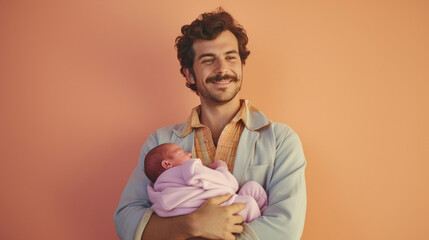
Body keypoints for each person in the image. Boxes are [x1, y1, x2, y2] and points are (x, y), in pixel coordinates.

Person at [114, 7, 307, 240]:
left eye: (230, 57)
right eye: (208, 60)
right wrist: (193, 223)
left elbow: (286, 229)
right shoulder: (160, 142)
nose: (222, 68)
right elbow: (126, 220)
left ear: (241, 65)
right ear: (189, 75)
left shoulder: (281, 140)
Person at [144, 143, 267, 222]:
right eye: (181, 153)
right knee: (249, 201)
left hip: (195, 221)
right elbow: (231, 184)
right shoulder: (190, 169)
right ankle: (261, 222)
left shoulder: (156, 191)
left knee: (251, 188)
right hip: (223, 211)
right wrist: (221, 168)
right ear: (167, 164)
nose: (189, 154)